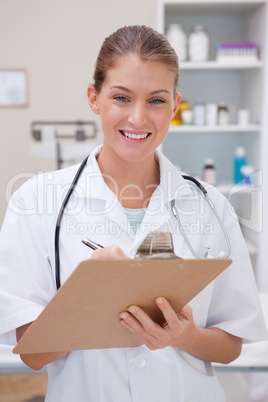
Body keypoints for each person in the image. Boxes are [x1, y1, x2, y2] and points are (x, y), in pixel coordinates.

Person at [0, 25, 267, 402]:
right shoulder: (36, 202)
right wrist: (91, 292)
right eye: (122, 98)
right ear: (94, 98)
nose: (138, 118)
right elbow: (31, 353)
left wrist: (185, 336)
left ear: (175, 106)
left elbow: (231, 345)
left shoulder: (209, 204)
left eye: (156, 100)